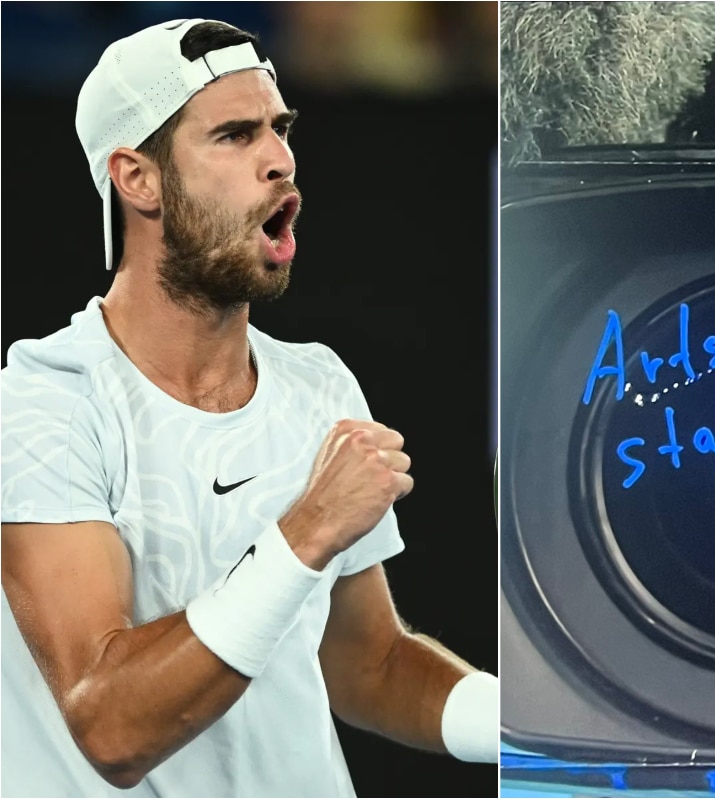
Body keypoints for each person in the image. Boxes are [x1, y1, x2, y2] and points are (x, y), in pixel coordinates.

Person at [0, 18, 497, 798]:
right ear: (138, 179)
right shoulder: (44, 401)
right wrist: (306, 532)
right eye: (234, 135)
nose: (280, 160)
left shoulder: (317, 386)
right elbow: (110, 727)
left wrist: (532, 731)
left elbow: (367, 665)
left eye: (280, 128)